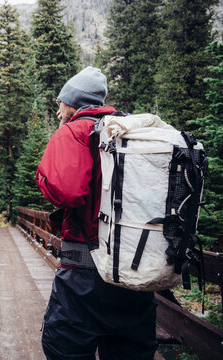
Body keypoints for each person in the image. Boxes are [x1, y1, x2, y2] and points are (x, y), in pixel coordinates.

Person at [36, 67, 158, 360]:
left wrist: (42, 178)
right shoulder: (130, 132)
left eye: (61, 103)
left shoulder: (74, 132)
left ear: (74, 102)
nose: (58, 111)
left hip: (83, 275)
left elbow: (68, 191)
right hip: (134, 271)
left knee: (65, 350)